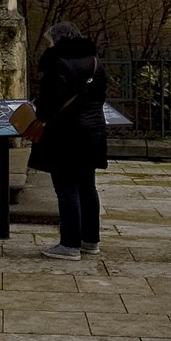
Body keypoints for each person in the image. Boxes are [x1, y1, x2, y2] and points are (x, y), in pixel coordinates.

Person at [28, 18, 108, 259]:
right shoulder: (95, 62)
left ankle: (70, 244)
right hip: (93, 130)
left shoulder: (57, 64)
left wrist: (37, 112)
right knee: (87, 186)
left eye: (51, 40)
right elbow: (100, 96)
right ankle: (90, 240)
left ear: (59, 40)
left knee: (66, 188)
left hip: (66, 133)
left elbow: (48, 103)